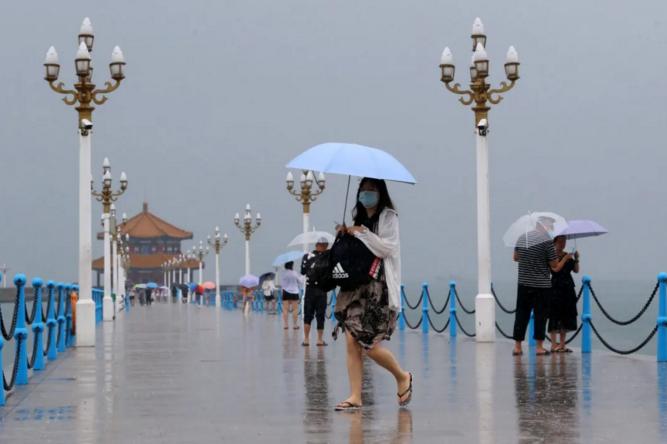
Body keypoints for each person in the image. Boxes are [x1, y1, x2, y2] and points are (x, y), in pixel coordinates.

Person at [332, 177, 412, 411]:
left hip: (379, 290)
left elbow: (388, 248)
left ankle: (401, 376)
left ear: (380, 192)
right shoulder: (360, 218)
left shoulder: (388, 217)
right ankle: (355, 395)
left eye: (371, 190)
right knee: (350, 341)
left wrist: (362, 233)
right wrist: (347, 233)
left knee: (368, 344)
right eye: (363, 190)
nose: (366, 194)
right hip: (356, 288)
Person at [512, 216, 573, 356]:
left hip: (523, 283)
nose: (551, 229)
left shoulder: (522, 238)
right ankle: (539, 347)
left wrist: (529, 259)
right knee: (541, 315)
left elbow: (515, 257)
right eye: (550, 226)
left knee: (521, 314)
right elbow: (555, 267)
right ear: (543, 225)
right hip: (541, 286)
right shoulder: (547, 243)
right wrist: (565, 258)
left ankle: (517, 347)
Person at [548, 235, 579, 352]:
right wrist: (565, 258)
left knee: (566, 314)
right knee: (554, 314)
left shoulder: (567, 255)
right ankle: (553, 344)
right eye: (560, 241)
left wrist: (576, 259)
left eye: (564, 241)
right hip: (556, 286)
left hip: (567, 286)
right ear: (555, 242)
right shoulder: (552, 255)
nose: (563, 244)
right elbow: (555, 269)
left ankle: (562, 344)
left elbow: (576, 270)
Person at [301, 237, 331, 346]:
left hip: (310, 289)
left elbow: (303, 272)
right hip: (322, 289)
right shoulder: (328, 257)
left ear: (316, 245)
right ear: (325, 246)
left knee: (308, 314)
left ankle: (306, 339)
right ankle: (319, 340)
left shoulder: (307, 256)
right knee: (320, 315)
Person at [281, 261, 304, 329]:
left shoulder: (283, 273)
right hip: (294, 292)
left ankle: (286, 325)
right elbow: (300, 281)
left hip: (285, 292)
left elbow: (282, 284)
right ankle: (295, 325)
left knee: (285, 309)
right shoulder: (294, 273)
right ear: (292, 265)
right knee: (295, 309)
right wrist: (302, 276)